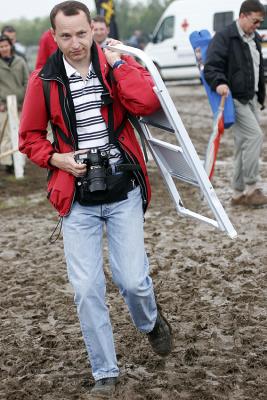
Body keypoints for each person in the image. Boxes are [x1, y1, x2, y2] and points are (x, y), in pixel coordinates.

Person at [19, 1, 172, 397]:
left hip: (123, 190)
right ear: (54, 36)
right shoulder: (44, 80)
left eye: (81, 34)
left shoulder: (111, 66)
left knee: (133, 281)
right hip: (76, 198)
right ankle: (106, 371)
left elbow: (147, 103)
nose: (74, 43)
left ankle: (151, 322)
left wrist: (120, 64)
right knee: (87, 289)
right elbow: (29, 138)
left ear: (94, 30)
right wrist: (57, 158)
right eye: (65, 36)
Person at [204, 0, 267, 207]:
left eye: (260, 22)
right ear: (243, 16)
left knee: (242, 144)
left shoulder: (254, 38)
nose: (258, 26)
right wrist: (219, 83)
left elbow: (257, 68)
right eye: (255, 21)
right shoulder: (224, 37)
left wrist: (261, 95)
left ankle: (238, 193)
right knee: (255, 136)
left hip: (250, 98)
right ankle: (251, 188)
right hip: (234, 99)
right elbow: (211, 66)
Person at [0, 34, 28, 172]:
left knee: (21, 134)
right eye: (1, 46)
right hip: (4, 106)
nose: (4, 48)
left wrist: (26, 100)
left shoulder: (20, 61)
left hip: (20, 104)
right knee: (5, 135)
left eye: (6, 45)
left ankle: (20, 162)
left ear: (10, 46)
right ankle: (8, 163)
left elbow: (27, 81)